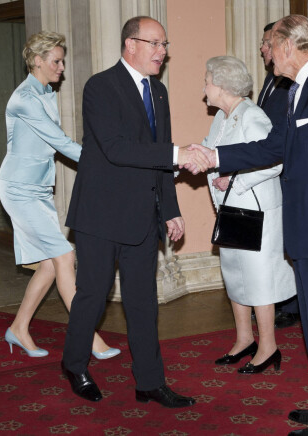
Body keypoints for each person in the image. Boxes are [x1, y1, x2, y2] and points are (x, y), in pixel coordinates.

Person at [187, 15, 308, 436]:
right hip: (307, 228)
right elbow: (274, 147)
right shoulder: (300, 90)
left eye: (271, 43)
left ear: (290, 45)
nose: (266, 53)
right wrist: (215, 157)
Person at [62, 16, 205, 406]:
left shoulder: (157, 92)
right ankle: (74, 365)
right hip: (101, 215)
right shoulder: (101, 87)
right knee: (93, 295)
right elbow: (117, 148)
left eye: (165, 44)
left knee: (143, 302)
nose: (163, 51)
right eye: (156, 44)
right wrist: (180, 154)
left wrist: (171, 209)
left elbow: (158, 155)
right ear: (131, 44)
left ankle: (150, 382)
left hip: (144, 215)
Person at [0, 31, 120, 361]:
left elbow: (61, 142)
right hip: (19, 189)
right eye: (56, 61)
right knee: (65, 256)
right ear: (37, 61)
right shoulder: (24, 98)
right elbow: (62, 143)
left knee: (51, 266)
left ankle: (19, 328)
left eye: (62, 61)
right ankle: (89, 337)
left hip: (37, 188)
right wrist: (109, 160)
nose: (62, 67)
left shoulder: (45, 92)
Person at [202, 56, 296, 374]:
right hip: (231, 208)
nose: (205, 89)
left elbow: (275, 162)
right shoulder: (221, 116)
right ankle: (244, 339)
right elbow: (208, 150)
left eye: (207, 81)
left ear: (223, 85)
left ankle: (268, 346)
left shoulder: (253, 116)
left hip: (256, 208)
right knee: (235, 275)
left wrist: (235, 179)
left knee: (258, 279)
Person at [257, 22, 300, 330]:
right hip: (272, 165)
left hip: (286, 170)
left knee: (289, 239)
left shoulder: (288, 81)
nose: (262, 48)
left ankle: (294, 303)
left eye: (266, 43)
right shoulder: (271, 80)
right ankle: (285, 300)